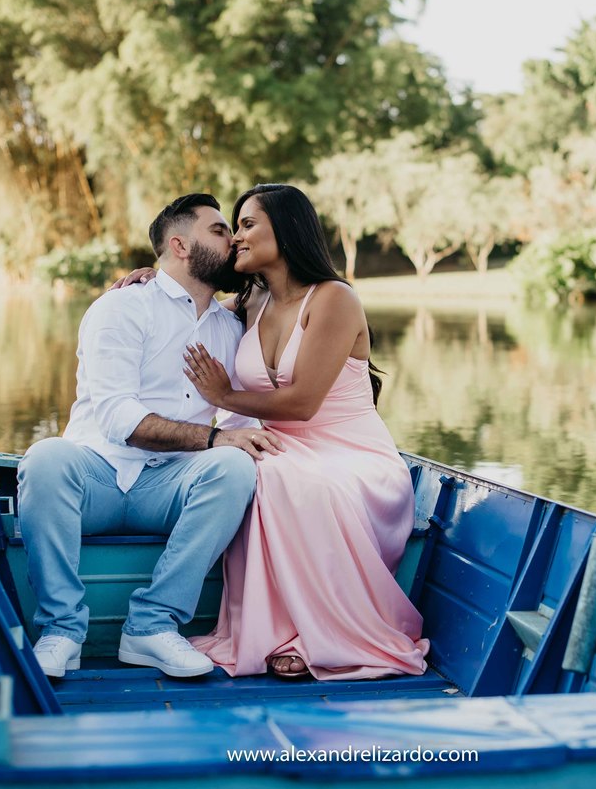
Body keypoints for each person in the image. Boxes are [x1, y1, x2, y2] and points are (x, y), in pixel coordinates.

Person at [17, 193, 284, 679]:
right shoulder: (121, 307)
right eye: (221, 231)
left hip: (169, 486)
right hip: (96, 475)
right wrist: (211, 438)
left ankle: (151, 625)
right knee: (44, 459)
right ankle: (61, 631)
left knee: (235, 466)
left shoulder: (232, 327)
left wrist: (235, 444)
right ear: (180, 245)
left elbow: (239, 428)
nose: (235, 239)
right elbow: (119, 419)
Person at [180, 184, 429, 680]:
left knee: (286, 478)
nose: (237, 237)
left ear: (287, 229)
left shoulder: (334, 299)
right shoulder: (250, 301)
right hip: (284, 446)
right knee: (250, 467)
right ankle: (276, 632)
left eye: (248, 224)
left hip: (352, 453)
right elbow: (185, 302)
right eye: (235, 226)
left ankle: (319, 637)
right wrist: (148, 279)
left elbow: (301, 402)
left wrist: (224, 397)